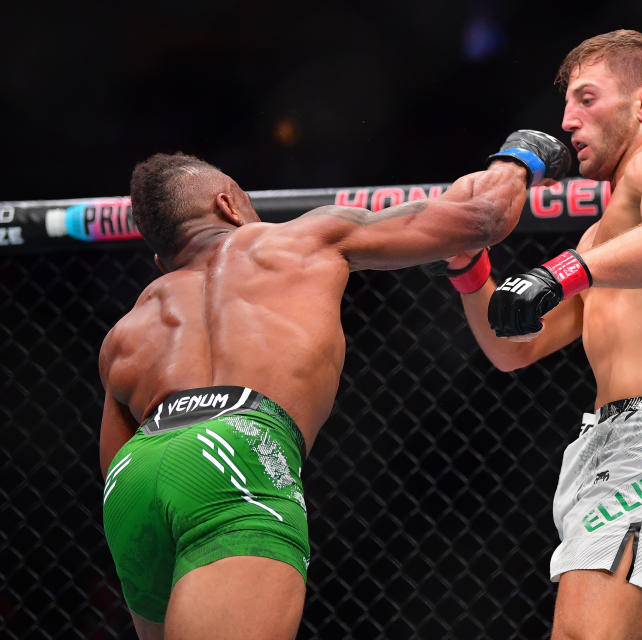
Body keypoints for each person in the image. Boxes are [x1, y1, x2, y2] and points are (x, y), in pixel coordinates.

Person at [98, 130, 570, 640]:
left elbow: (114, 461)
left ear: (161, 261)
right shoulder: (301, 237)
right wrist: (520, 159)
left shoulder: (129, 327)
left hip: (134, 477)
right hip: (234, 451)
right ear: (229, 205)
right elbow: (481, 218)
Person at [441, 30, 642, 639]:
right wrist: (467, 261)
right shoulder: (601, 242)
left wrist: (559, 273)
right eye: (567, 106)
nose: (568, 121)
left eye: (586, 99)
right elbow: (511, 346)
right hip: (607, 454)